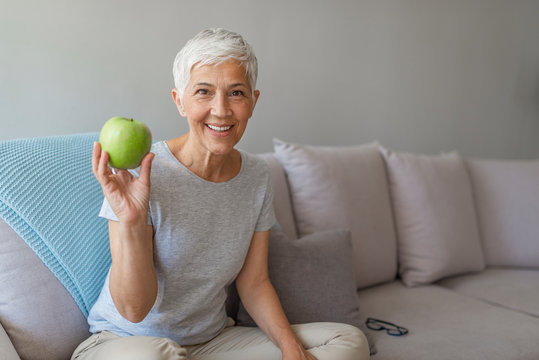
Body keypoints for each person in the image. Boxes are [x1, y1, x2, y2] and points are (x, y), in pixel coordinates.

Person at [72, 28, 369, 360]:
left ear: (253, 102)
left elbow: (254, 282)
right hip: (125, 343)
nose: (222, 110)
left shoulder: (257, 177)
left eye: (236, 93)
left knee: (348, 341)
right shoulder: (142, 174)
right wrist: (131, 221)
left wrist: (290, 349)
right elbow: (134, 309)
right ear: (179, 101)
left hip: (211, 343)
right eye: (203, 91)